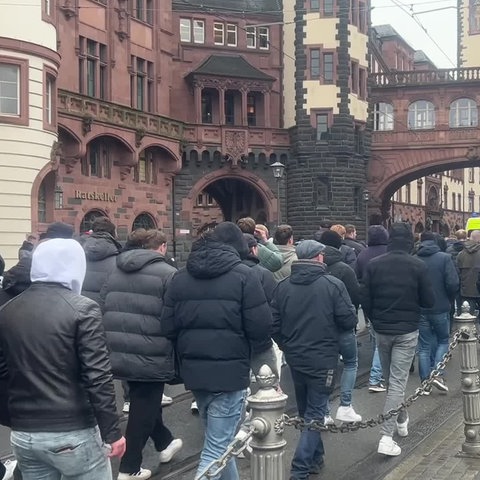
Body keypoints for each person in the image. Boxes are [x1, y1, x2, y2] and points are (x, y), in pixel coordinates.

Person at [0, 238, 125, 479]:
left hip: (25, 433)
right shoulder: (83, 309)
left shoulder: (7, 310)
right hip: (72, 430)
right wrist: (113, 433)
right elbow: (98, 377)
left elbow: (3, 370)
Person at [161, 222, 272, 480]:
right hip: (230, 373)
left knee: (221, 443)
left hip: (194, 372)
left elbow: (167, 326)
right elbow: (260, 328)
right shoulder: (245, 276)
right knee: (217, 448)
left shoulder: (179, 277)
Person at [271, 239, 357, 479]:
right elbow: (349, 321)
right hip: (323, 358)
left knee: (305, 409)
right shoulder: (332, 284)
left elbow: (274, 324)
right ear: (319, 257)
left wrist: (286, 345)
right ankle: (299, 469)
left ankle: (315, 458)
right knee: (315, 413)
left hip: (296, 358)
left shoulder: (283, 286)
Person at [101, 229, 182, 480]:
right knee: (144, 406)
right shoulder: (168, 274)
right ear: (161, 248)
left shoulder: (115, 271)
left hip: (119, 348)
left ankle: (164, 442)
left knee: (142, 401)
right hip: (152, 351)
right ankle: (129, 468)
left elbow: (103, 303)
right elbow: (174, 316)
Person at [361, 223, 435, 457]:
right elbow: (429, 301)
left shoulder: (374, 265)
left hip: (381, 329)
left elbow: (365, 297)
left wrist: (374, 319)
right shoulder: (418, 265)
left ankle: (401, 419)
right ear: (410, 242)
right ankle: (386, 436)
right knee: (397, 383)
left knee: (391, 380)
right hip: (406, 329)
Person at [319, 230, 361, 424]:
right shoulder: (344, 269)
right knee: (350, 363)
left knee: (328, 367)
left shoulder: (315, 265)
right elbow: (355, 297)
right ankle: (345, 405)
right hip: (343, 326)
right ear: (340, 245)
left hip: (321, 326)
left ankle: (325, 410)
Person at [416, 232, 459, 393]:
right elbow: (452, 283)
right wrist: (449, 299)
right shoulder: (444, 258)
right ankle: (438, 374)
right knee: (442, 340)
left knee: (424, 346)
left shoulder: (415, 258)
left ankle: (425, 383)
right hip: (440, 306)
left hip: (421, 307)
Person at [355, 225, 390, 393]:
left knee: (376, 337)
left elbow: (358, 277)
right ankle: (376, 377)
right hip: (387, 299)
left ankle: (379, 373)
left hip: (370, 300)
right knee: (382, 343)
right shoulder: (389, 251)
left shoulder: (363, 254)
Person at [457, 230, 480, 315]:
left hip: (466, 291)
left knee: (468, 319)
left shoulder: (461, 254)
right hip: (478, 289)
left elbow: (457, 273)